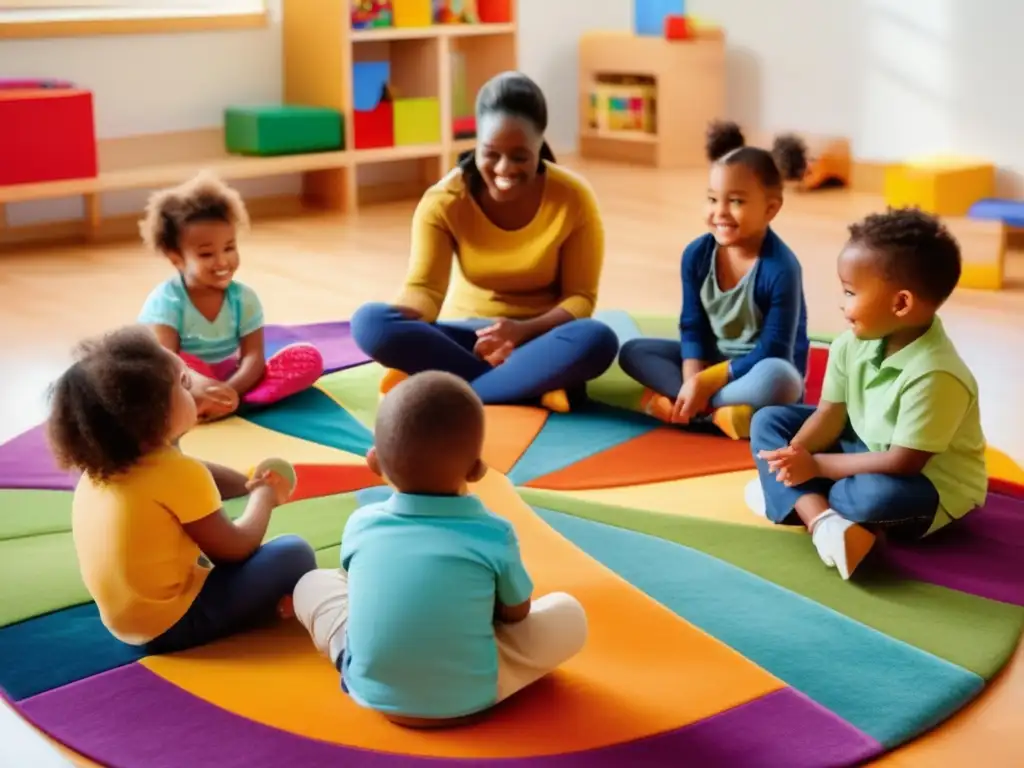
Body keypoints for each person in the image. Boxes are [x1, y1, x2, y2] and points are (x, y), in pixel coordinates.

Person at [293, 371, 588, 727]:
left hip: (370, 689)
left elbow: (354, 584)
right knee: (569, 614)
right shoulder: (494, 533)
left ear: (374, 461)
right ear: (477, 469)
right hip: (470, 697)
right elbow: (517, 614)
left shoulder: (361, 523)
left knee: (312, 584)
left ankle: (349, 656)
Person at [350, 71, 619, 413]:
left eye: (520, 156)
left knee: (597, 339)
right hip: (464, 340)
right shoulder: (444, 201)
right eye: (491, 153)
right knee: (369, 322)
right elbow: (425, 290)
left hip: (540, 339)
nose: (504, 169)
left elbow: (580, 298)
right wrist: (405, 313)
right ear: (476, 143)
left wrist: (521, 331)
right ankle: (527, 386)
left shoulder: (573, 198)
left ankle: (458, 389)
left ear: (540, 147)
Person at [748, 208, 988, 580]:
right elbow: (830, 414)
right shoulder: (849, 345)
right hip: (861, 448)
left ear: (901, 303)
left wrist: (816, 468)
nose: (843, 304)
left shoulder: (937, 374)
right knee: (768, 420)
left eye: (850, 292)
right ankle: (823, 522)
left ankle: (798, 499)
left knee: (875, 499)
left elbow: (902, 463)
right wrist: (793, 456)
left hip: (924, 484)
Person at [47, 325, 317, 653]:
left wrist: (246, 483)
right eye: (185, 383)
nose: (195, 387)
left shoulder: (105, 466)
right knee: (293, 553)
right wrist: (263, 498)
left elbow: (189, 471)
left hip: (126, 621)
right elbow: (236, 548)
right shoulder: (177, 473)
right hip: (173, 624)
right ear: (155, 418)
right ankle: (260, 614)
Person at [617, 121, 810, 439]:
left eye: (736, 201)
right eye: (711, 199)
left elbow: (773, 350)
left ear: (771, 209)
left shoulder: (782, 268)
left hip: (760, 367)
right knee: (633, 352)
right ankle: (716, 409)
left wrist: (704, 384)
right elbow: (692, 327)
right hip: (713, 361)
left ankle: (688, 404)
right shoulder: (696, 255)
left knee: (782, 380)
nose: (720, 212)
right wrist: (694, 376)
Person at [137, 171, 324, 422]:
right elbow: (168, 363)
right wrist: (202, 386)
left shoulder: (244, 299)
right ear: (177, 259)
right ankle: (200, 402)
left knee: (307, 358)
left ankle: (232, 402)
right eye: (206, 254)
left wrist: (231, 389)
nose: (222, 261)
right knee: (164, 371)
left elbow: (253, 357)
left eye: (229, 248)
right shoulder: (166, 302)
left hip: (233, 378)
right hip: (187, 377)